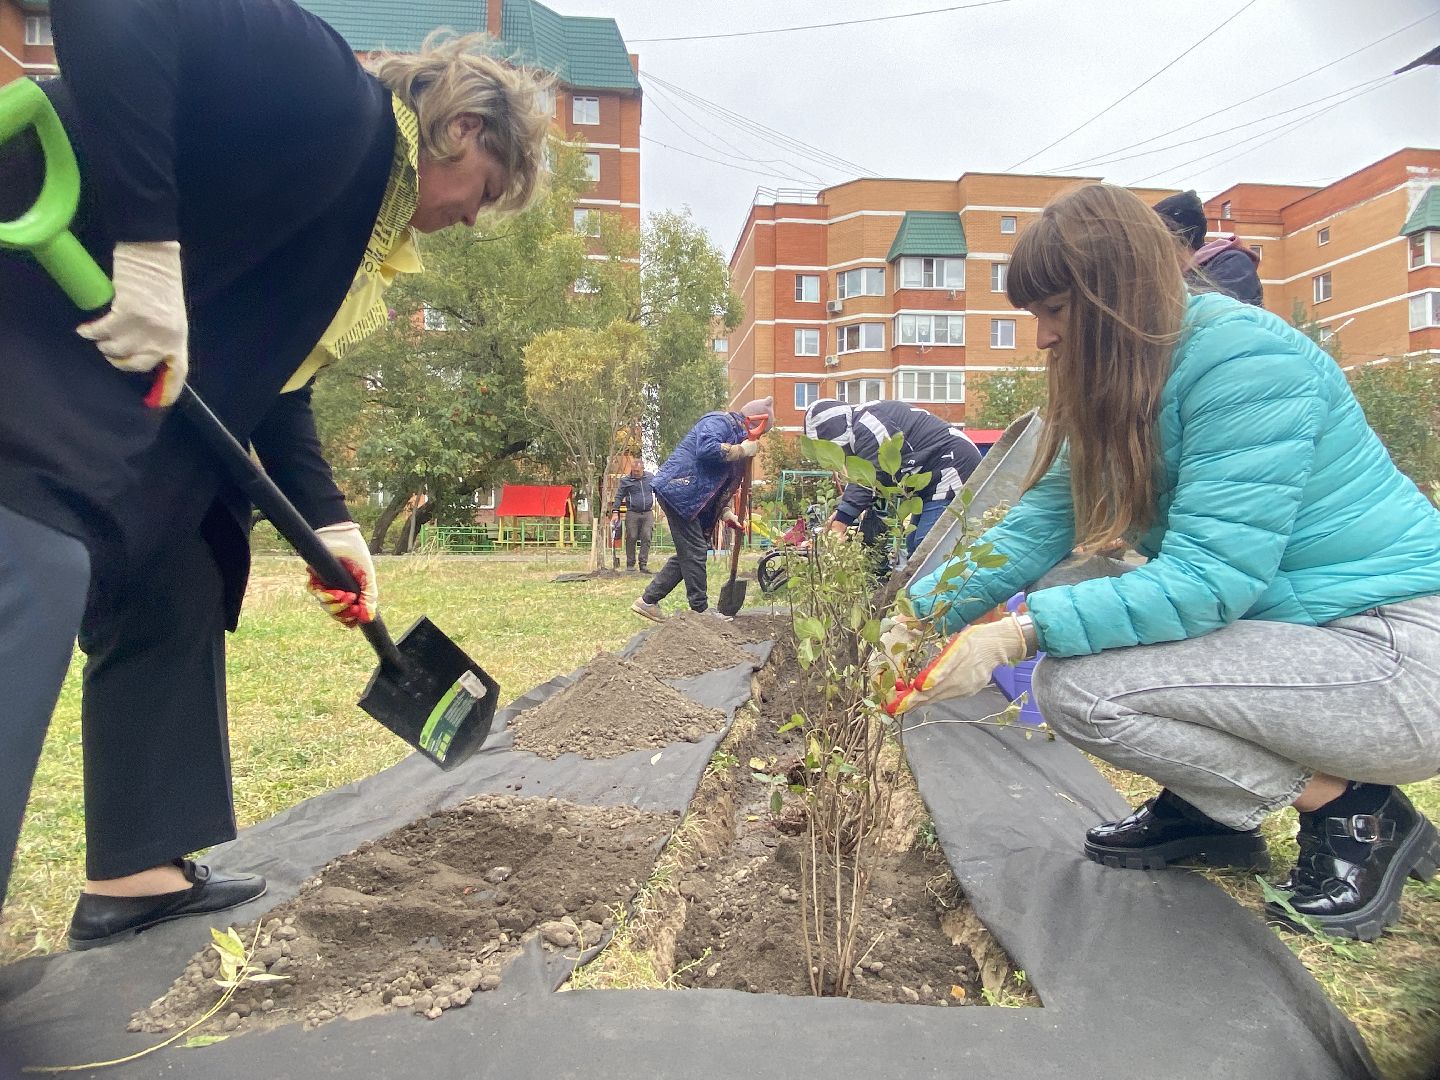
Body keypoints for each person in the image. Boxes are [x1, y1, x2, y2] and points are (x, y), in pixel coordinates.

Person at [0, 1, 550, 948]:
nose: (468, 219)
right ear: (461, 130)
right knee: (33, 565)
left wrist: (330, 522)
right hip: (31, 323)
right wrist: (148, 247)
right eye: (485, 190)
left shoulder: (346, 228)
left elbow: (276, 380)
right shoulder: (327, 99)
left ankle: (139, 872)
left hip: (106, 391)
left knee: (182, 563)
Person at [891, 183, 1440, 941]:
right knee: (1077, 584)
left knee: (1082, 689)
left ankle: (1356, 811)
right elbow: (1036, 526)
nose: (1043, 339)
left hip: (1390, 654)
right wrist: (908, 617)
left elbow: (1212, 581)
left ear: (1113, 294)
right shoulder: (1126, 383)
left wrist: (1012, 635)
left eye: (1055, 311)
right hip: (1296, 635)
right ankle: (1208, 808)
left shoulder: (1247, 363)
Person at [631, 397, 774, 621]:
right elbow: (706, 449)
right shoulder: (720, 422)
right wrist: (740, 450)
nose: (758, 436)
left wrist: (727, 514)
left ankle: (648, 600)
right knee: (696, 550)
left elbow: (720, 487)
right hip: (678, 489)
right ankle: (701, 611)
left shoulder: (741, 444)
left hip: (689, 497)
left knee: (689, 553)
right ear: (751, 421)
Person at [803, 398, 982, 556]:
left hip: (951, 463)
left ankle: (946, 593)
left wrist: (839, 526)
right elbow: (869, 484)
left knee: (929, 547)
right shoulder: (861, 429)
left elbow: (869, 477)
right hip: (931, 477)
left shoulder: (869, 424)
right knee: (913, 544)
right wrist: (838, 518)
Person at [1153, 189, 1264, 307]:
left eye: (1156, 243)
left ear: (1175, 239)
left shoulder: (1232, 264)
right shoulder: (1182, 273)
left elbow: (1214, 313)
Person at [611, 461, 656, 573]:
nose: (635, 473)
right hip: (632, 512)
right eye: (633, 471)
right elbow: (619, 496)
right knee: (632, 536)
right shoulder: (626, 481)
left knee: (647, 536)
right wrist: (615, 512)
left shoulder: (650, 477)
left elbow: (658, 489)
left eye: (638, 471)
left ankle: (643, 565)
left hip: (647, 513)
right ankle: (630, 565)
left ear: (643, 469)